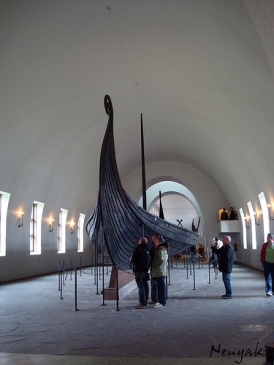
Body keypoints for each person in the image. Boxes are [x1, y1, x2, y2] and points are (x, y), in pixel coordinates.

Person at [131, 236, 151, 309]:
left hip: (139, 270)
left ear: (140, 242)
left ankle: (142, 303)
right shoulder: (147, 249)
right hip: (145, 270)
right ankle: (145, 302)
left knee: (141, 287)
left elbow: (134, 260)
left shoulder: (137, 249)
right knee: (146, 286)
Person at [150, 233, 168, 308]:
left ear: (156, 238)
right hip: (160, 270)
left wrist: (152, 264)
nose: (151, 237)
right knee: (160, 287)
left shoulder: (160, 249)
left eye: (153, 236)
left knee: (161, 287)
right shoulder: (162, 248)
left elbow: (160, 259)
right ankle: (161, 301)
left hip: (159, 271)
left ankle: (162, 302)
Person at [148, 241, 159, 305]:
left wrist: (152, 265)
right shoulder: (158, 250)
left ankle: (155, 299)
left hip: (155, 269)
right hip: (157, 270)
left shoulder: (154, 250)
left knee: (154, 284)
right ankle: (156, 298)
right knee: (155, 284)